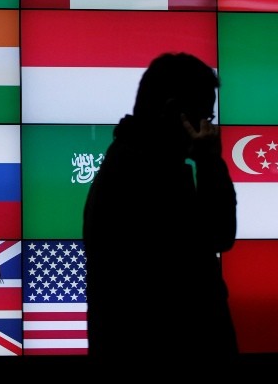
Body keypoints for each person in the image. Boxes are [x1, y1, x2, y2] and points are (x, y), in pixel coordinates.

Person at [82, 52, 238, 378]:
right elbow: (219, 233)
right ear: (172, 112)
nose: (206, 128)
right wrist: (211, 162)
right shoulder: (149, 174)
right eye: (203, 116)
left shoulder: (131, 161)